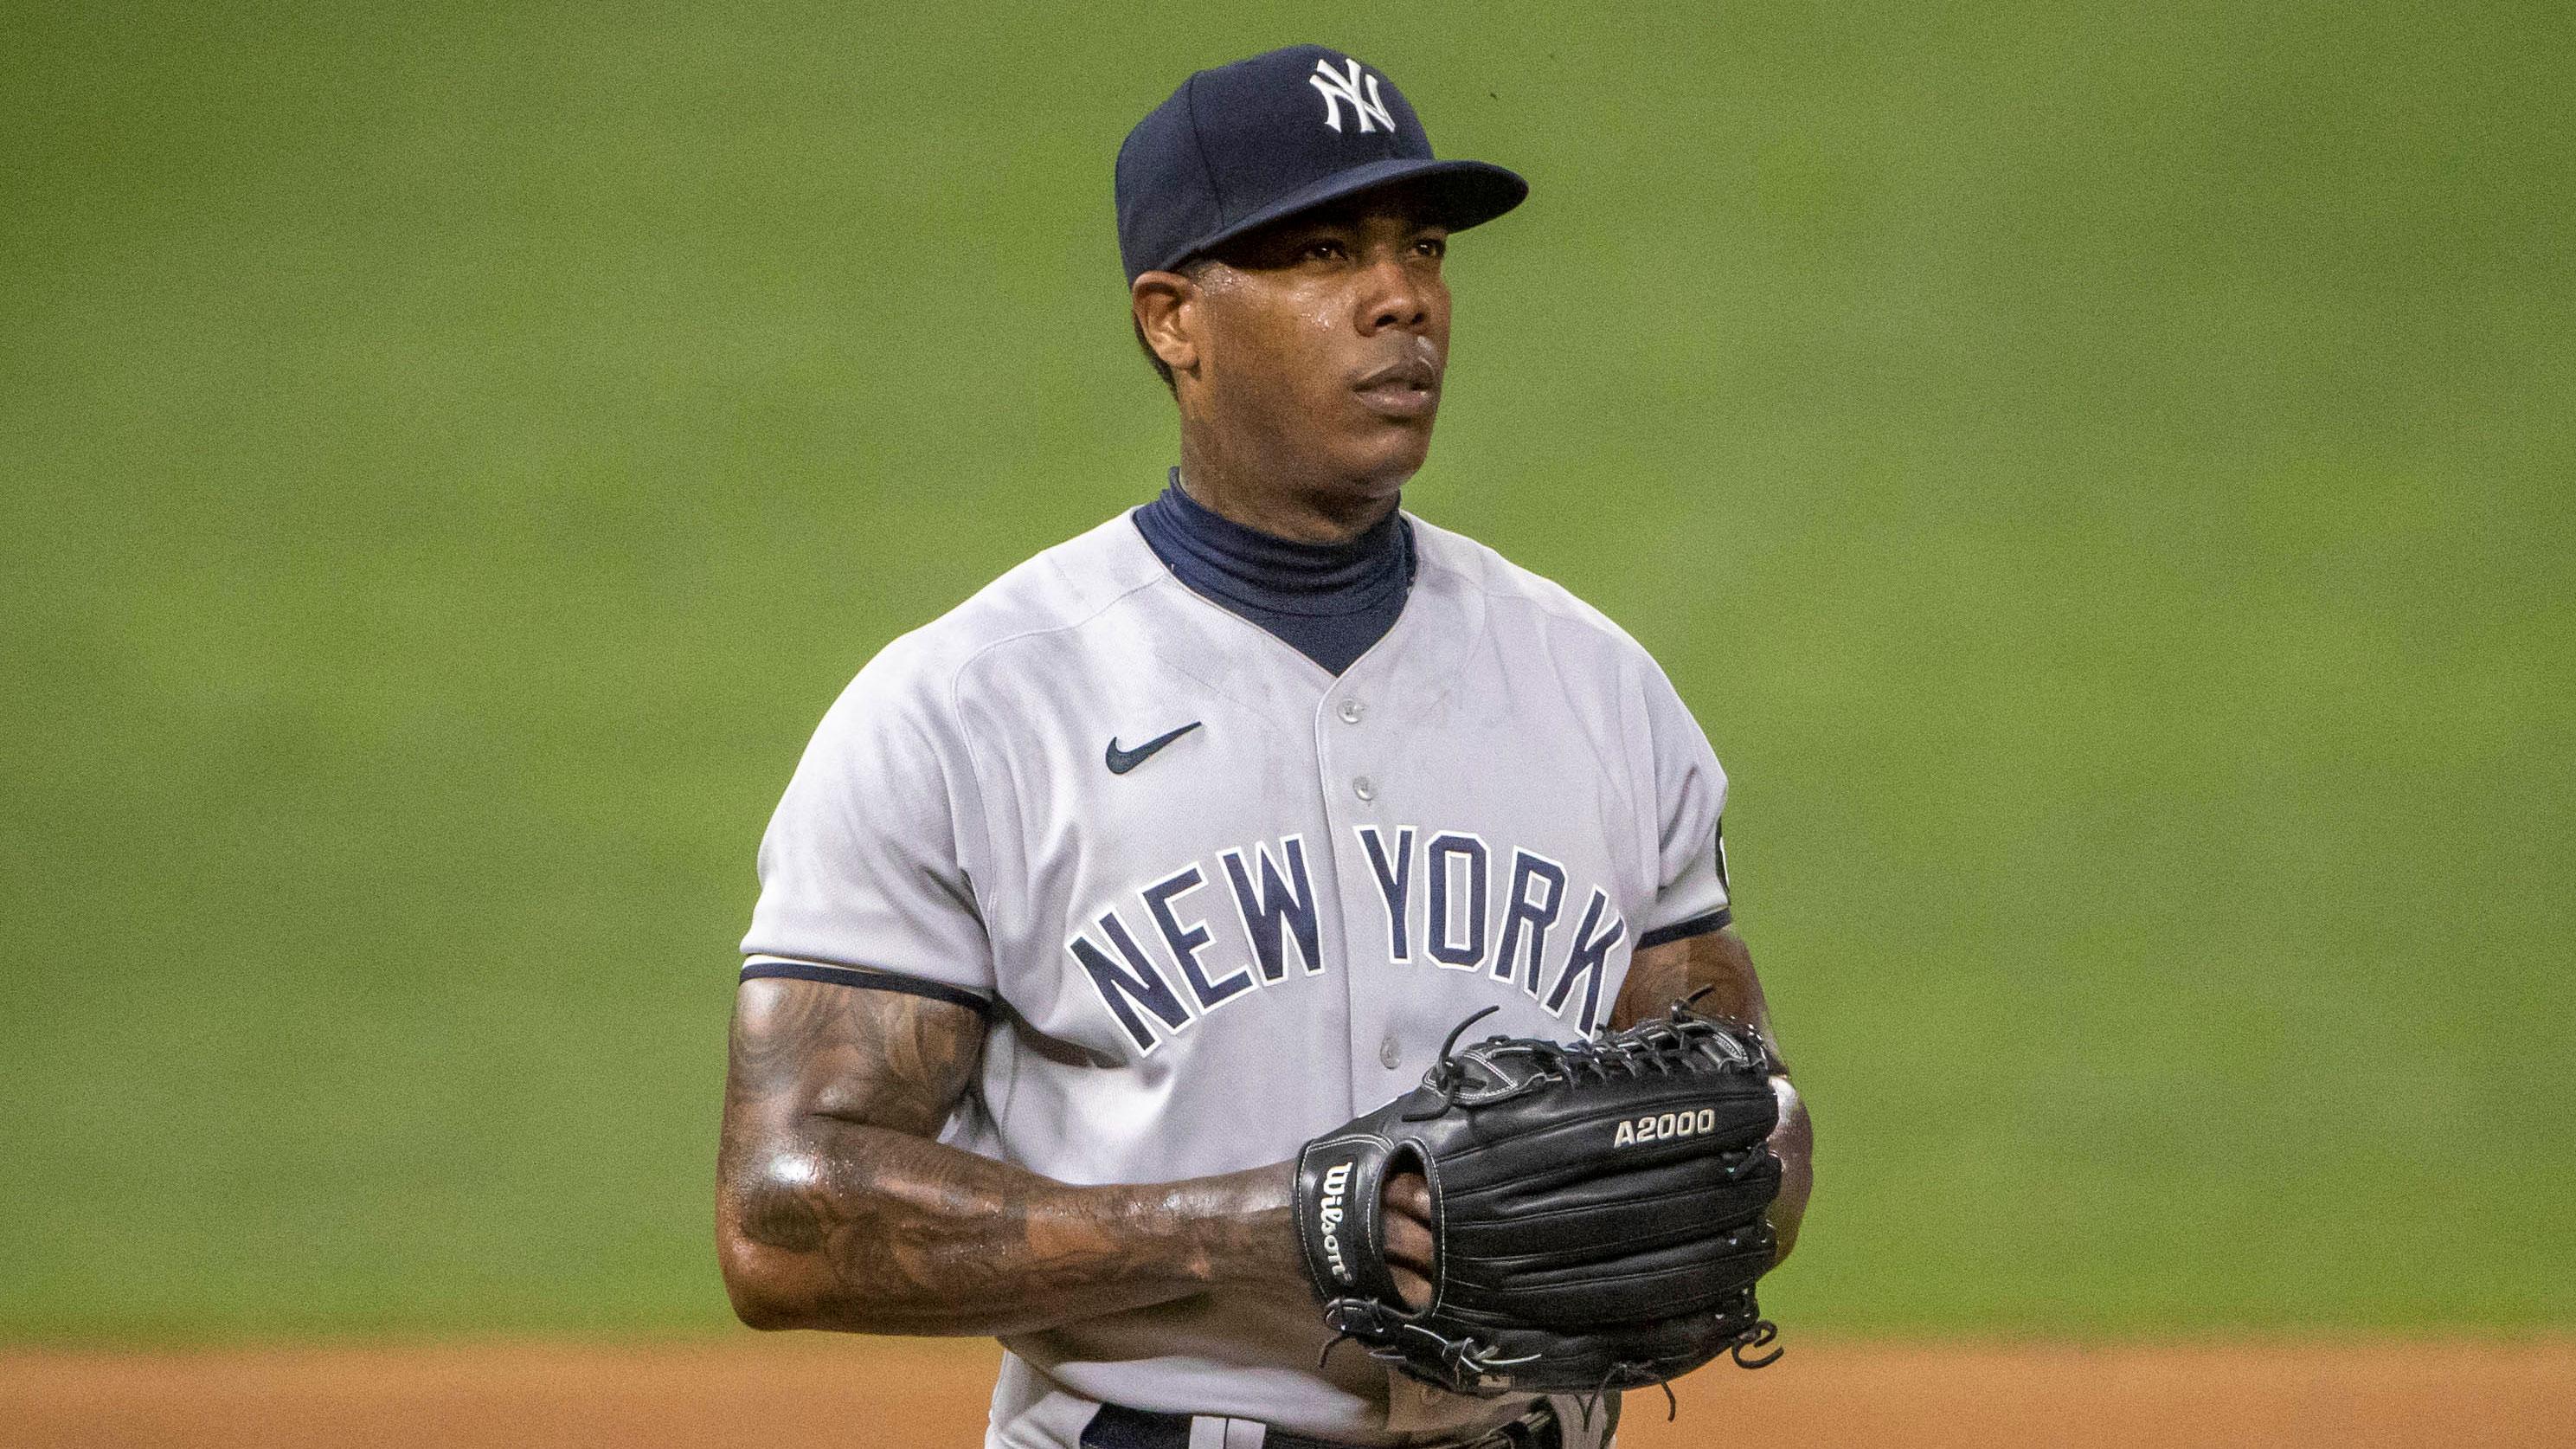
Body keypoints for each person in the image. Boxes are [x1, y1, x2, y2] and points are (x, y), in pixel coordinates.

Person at [716, 43, 1814, 1449]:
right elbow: (784, 1213)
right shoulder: (966, 707)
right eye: (1320, 252)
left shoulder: (1598, 684)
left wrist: (1727, 1176)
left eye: (1419, 247)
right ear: (1173, 319)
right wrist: (1262, 1228)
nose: (1401, 297)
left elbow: (1747, 1109)